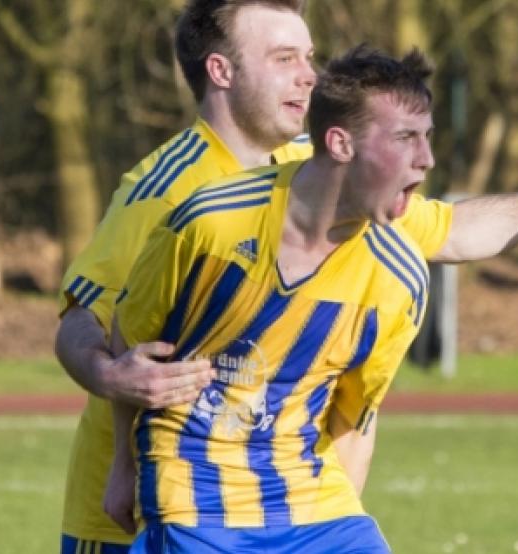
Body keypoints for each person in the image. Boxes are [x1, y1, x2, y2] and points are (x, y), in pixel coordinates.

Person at [104, 45, 518, 554]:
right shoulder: (209, 224)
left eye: (428, 136)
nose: (427, 160)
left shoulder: (398, 275)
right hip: (194, 504)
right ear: (340, 143)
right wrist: (123, 468)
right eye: (404, 139)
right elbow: (130, 342)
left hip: (317, 508)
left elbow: (354, 420)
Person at [54, 1, 316, 552]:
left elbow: (439, 226)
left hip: (247, 507)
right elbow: (80, 316)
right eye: (284, 57)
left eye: (309, 57)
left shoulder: (310, 172)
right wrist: (109, 375)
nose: (309, 75)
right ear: (221, 71)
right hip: (127, 522)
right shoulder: (165, 189)